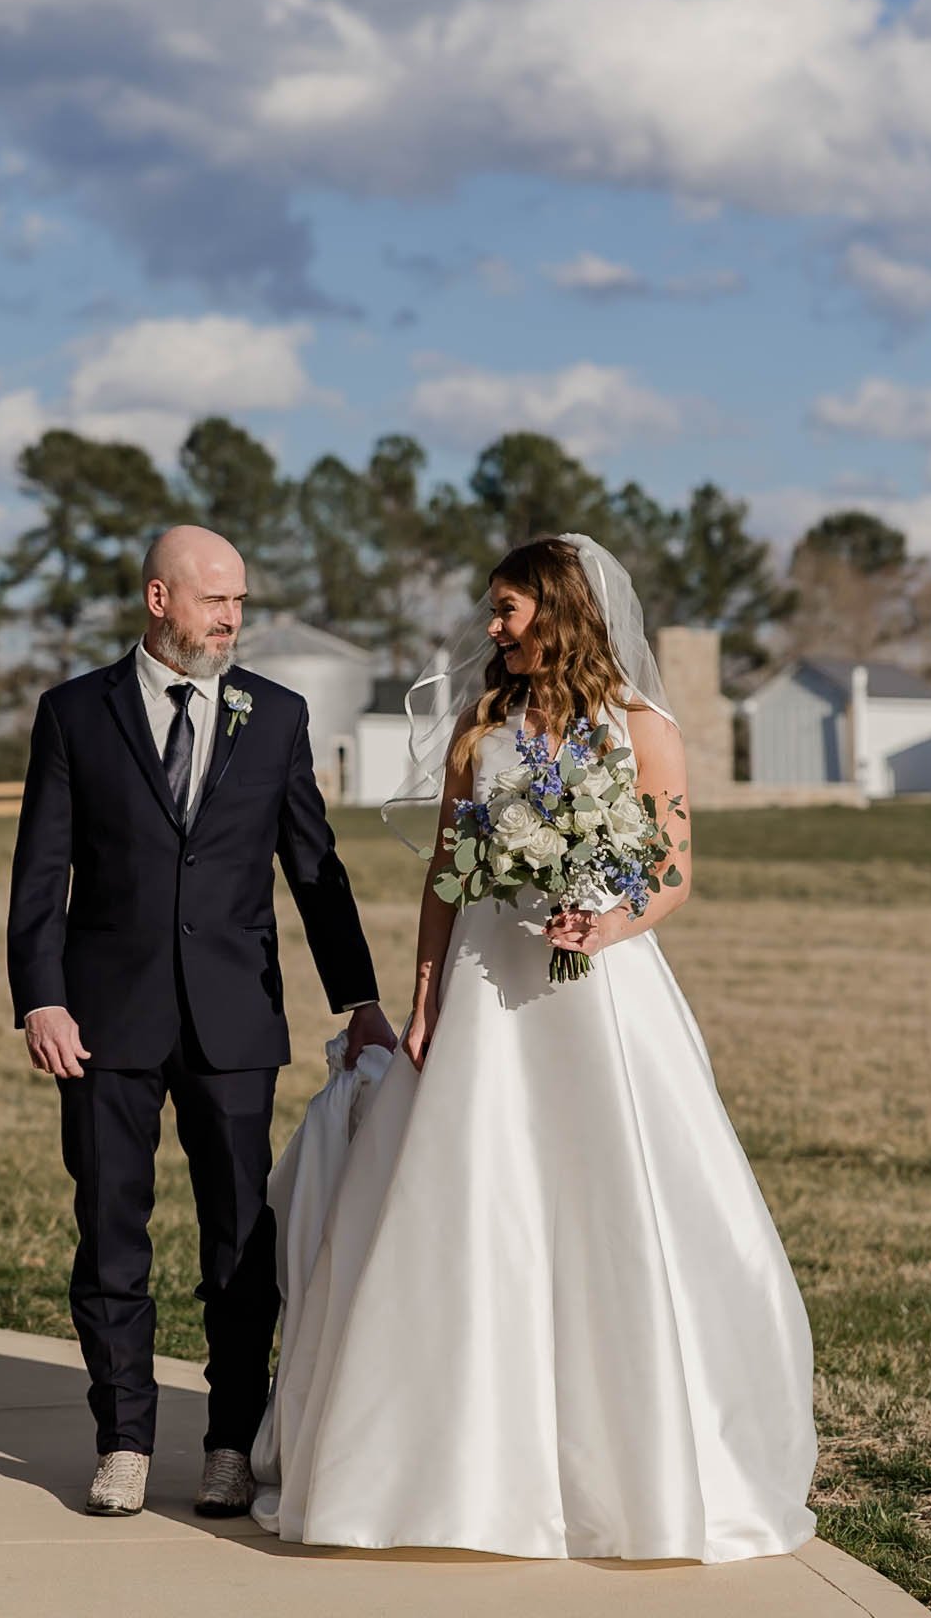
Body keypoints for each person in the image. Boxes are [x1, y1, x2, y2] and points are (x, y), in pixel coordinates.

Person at [253, 532, 817, 1560]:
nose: (491, 627)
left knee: (608, 1200)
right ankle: (446, 1466)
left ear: (559, 612)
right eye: (492, 609)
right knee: (470, 1197)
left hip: (599, 993)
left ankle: (625, 1469)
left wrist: (605, 921)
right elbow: (441, 873)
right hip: (482, 985)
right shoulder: (482, 725)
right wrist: (423, 997)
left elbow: (672, 871)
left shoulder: (644, 729)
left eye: (507, 608)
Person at [6, 525, 394, 1520]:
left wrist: (358, 999)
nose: (231, 618)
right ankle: (124, 1440)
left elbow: (314, 865)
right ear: (157, 599)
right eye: (214, 599)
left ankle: (229, 1438)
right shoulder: (74, 714)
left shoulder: (274, 717)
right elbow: (41, 872)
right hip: (103, 1020)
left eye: (240, 602)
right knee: (110, 1235)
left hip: (233, 1024)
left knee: (238, 1242)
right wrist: (41, 996)